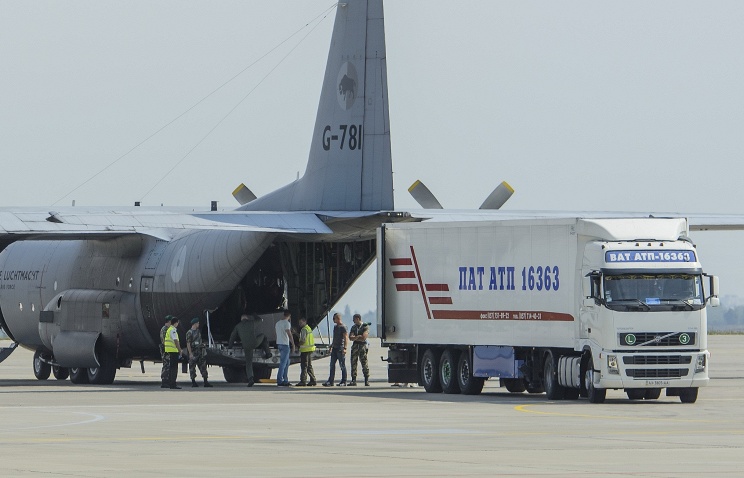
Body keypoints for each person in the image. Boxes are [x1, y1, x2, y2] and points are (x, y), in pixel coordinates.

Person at [228, 314, 272, 387]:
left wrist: (230, 346)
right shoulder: (251, 322)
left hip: (246, 346)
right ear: (247, 318)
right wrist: (255, 315)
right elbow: (260, 320)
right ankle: (268, 353)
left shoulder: (238, 326)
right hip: (255, 342)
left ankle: (250, 379)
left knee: (248, 363)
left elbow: (232, 337)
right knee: (263, 336)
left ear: (241, 319)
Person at [186, 317, 212, 388]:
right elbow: (188, 343)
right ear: (195, 324)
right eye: (198, 323)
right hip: (193, 352)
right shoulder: (189, 333)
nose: (198, 324)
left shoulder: (198, 331)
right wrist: (190, 353)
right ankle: (193, 382)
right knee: (192, 367)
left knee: (203, 367)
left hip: (200, 352)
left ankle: (206, 382)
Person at [323, 313, 348, 387]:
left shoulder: (343, 327)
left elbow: (346, 338)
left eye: (334, 318)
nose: (333, 320)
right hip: (335, 348)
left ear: (337, 318)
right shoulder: (335, 327)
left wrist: (345, 348)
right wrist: (331, 346)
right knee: (332, 365)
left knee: (342, 365)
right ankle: (330, 381)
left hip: (340, 348)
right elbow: (334, 338)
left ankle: (344, 381)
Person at [275, 309, 295, 387]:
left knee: (287, 363)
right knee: (283, 363)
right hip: (285, 344)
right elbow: (289, 334)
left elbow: (276, 333)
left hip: (279, 343)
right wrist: (293, 344)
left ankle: (285, 379)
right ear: (289, 316)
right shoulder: (287, 323)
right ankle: (280, 380)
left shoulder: (277, 323)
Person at [348, 313, 370, 386]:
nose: (353, 321)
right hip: (355, 346)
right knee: (353, 362)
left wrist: (355, 337)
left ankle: (366, 379)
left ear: (357, 319)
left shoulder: (365, 326)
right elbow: (351, 337)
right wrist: (358, 337)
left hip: (362, 346)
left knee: (364, 362)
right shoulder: (353, 327)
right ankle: (353, 380)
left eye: (354, 319)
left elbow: (364, 337)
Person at [162, 316, 183, 389]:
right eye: (177, 323)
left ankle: (171, 383)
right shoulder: (173, 330)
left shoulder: (169, 329)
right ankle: (173, 384)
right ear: (176, 323)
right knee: (174, 368)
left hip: (170, 350)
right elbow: (175, 341)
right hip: (173, 351)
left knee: (171, 368)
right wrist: (180, 350)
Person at [296, 317, 316, 386]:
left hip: (305, 351)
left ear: (304, 322)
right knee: (309, 366)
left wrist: (298, 345)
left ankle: (303, 381)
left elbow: (303, 340)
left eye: (301, 323)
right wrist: (295, 333)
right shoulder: (308, 328)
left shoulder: (304, 329)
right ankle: (313, 380)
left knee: (304, 366)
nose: (300, 324)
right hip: (310, 350)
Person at [159, 315, 172, 385]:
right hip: (166, 350)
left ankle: (167, 380)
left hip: (169, 349)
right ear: (169, 321)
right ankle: (164, 381)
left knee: (168, 365)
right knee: (166, 365)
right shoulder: (164, 329)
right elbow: (164, 341)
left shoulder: (169, 329)